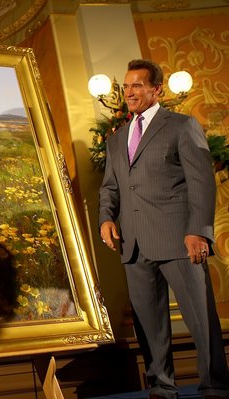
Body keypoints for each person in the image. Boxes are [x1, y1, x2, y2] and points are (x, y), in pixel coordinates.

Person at [99, 59, 229, 399]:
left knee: (200, 316)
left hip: (179, 238)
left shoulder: (182, 125)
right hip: (133, 243)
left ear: (157, 89)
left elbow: (201, 184)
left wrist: (198, 231)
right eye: (127, 86)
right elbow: (109, 188)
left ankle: (215, 384)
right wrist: (106, 219)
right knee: (148, 321)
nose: (130, 92)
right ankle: (161, 384)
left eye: (138, 85)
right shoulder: (116, 140)